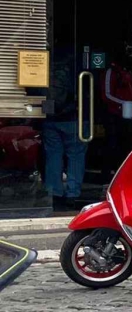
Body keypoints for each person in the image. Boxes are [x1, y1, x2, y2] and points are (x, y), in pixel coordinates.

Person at [42, 46, 86, 213]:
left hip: (51, 117)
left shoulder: (47, 67)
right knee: (75, 155)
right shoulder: (76, 69)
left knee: (53, 155)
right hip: (73, 117)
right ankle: (73, 194)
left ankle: (54, 193)